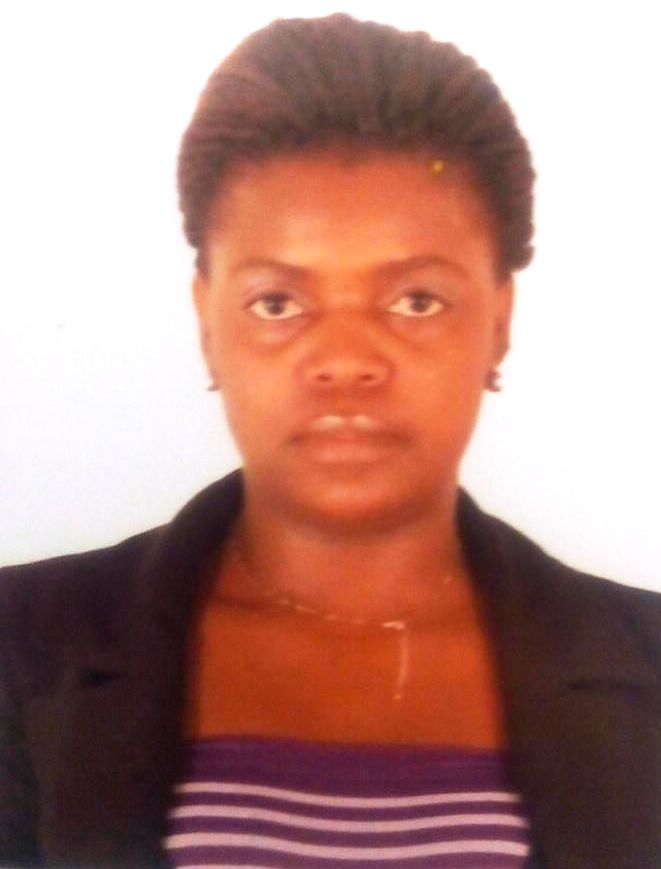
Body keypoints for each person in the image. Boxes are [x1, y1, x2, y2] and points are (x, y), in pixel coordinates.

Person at [1, 13, 659, 869]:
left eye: (415, 300)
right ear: (209, 323)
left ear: (498, 321)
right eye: (278, 302)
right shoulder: (18, 649)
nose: (344, 361)